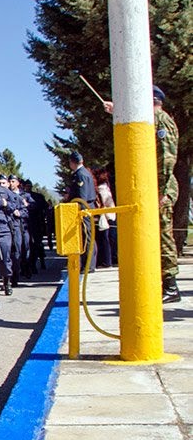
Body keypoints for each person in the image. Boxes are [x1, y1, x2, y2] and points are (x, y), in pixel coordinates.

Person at [104, 85, 180, 302]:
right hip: (154, 188)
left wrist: (162, 191)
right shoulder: (154, 119)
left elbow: (166, 157)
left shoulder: (161, 119)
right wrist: (116, 110)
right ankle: (163, 283)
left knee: (163, 235)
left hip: (160, 189)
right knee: (155, 235)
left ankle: (171, 285)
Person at [66, 151, 97, 271]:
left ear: (72, 162)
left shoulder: (81, 175)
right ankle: (88, 263)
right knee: (86, 236)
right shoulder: (82, 173)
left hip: (84, 208)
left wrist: (78, 208)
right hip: (85, 207)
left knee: (87, 237)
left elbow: (82, 196)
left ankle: (89, 264)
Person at [92, 167, 117, 269]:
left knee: (106, 240)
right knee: (110, 240)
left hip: (107, 217)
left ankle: (107, 261)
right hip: (111, 215)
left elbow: (104, 202)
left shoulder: (101, 188)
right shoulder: (106, 187)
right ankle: (111, 260)